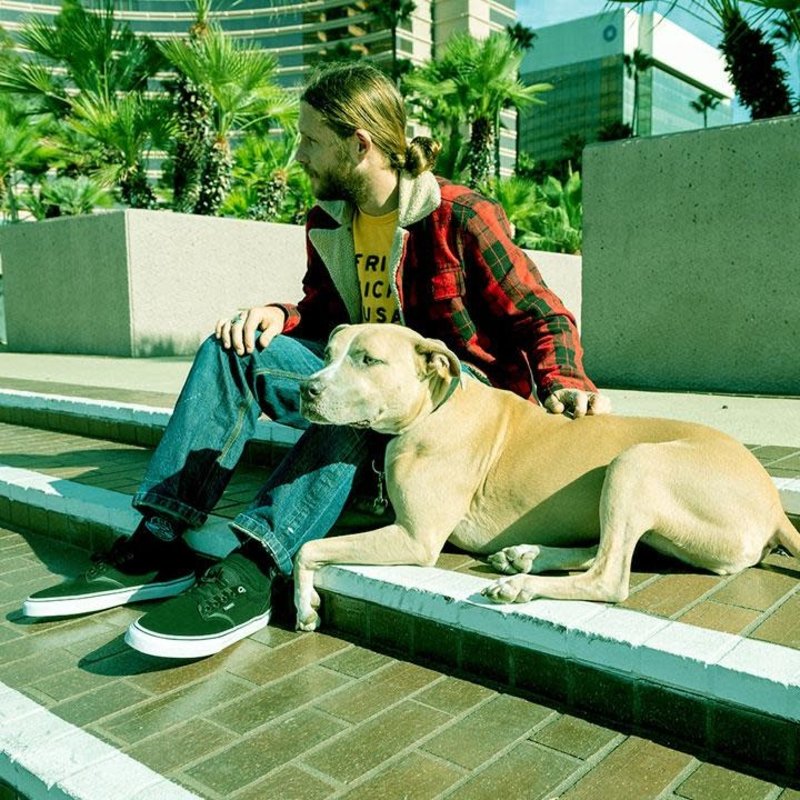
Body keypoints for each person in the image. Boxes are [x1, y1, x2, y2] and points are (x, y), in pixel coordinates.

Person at [23, 62, 608, 659]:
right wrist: (281, 315)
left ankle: (256, 566)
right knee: (234, 348)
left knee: (358, 400)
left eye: (310, 140)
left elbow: (540, 312)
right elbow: (325, 311)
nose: (297, 155)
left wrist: (565, 379)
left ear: (360, 145)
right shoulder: (328, 222)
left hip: (452, 402)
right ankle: (159, 538)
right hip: (370, 379)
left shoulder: (458, 215)